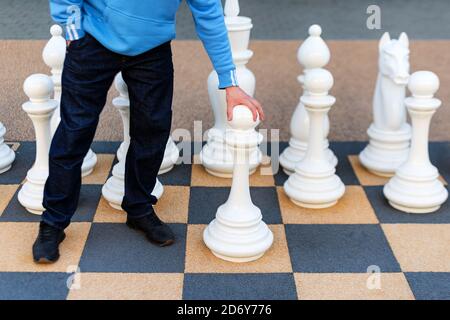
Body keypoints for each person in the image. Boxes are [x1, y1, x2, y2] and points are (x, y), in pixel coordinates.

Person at [33, 0, 265, 263]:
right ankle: (53, 222)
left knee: (153, 130)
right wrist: (73, 29)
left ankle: (139, 207)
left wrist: (230, 82)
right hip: (93, 40)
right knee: (75, 132)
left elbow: (209, 15)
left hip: (152, 48)